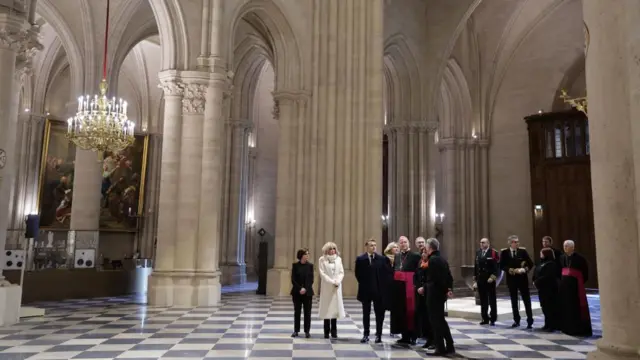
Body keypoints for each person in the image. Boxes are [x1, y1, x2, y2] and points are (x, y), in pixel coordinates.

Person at [355, 239, 392, 343]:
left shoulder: (382, 259)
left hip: (378, 291)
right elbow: (357, 274)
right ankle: (366, 334)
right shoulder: (360, 259)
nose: (373, 247)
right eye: (371, 245)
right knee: (366, 313)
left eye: (375, 245)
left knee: (379, 314)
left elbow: (386, 273)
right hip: (365, 291)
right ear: (366, 246)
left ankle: (378, 335)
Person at [423, 238, 454, 356]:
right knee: (441, 321)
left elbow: (436, 279)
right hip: (440, 295)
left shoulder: (433, 260)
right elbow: (449, 277)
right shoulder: (442, 259)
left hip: (434, 295)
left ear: (430, 247)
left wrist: (442, 290)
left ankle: (440, 348)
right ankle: (450, 346)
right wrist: (448, 289)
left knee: (436, 322)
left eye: (426, 245)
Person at [390, 236, 422, 344]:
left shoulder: (415, 256)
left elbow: (418, 272)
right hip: (399, 288)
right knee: (401, 311)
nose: (403, 244)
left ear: (408, 243)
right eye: (401, 242)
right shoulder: (397, 256)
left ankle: (413, 336)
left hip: (410, 287)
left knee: (411, 312)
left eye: (405, 242)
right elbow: (395, 269)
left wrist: (415, 283)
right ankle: (404, 336)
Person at [559, 240, 593, 337]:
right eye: (564, 246)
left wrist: (577, 283)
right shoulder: (561, 258)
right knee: (565, 308)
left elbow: (585, 274)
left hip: (575, 289)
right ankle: (566, 328)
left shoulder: (580, 259)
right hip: (564, 289)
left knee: (575, 308)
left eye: (567, 246)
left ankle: (576, 329)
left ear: (573, 247)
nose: (565, 248)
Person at [499, 235, 534, 328]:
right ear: (510, 243)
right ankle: (516, 320)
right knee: (514, 301)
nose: (517, 243)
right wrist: (511, 270)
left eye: (517, 241)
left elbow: (531, 263)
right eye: (515, 242)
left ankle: (530, 320)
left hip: (522, 279)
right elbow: (501, 265)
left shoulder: (523, 251)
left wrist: (524, 270)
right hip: (512, 279)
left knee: (527, 300)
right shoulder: (504, 252)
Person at [318, 242, 346, 339]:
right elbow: (322, 274)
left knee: (335, 309)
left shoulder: (339, 259)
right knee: (327, 309)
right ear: (326, 250)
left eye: (334, 248)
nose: (332, 250)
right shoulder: (322, 260)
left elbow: (341, 272)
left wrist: (338, 281)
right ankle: (326, 331)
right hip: (327, 286)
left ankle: (334, 331)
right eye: (330, 249)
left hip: (336, 287)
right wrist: (332, 281)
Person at [473, 238, 500, 326]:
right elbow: (476, 267)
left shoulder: (493, 252)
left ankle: (493, 318)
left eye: (483, 242)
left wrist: (493, 277)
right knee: (483, 300)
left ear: (488, 243)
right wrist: (475, 280)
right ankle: (485, 318)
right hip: (481, 280)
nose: (481, 244)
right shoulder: (478, 252)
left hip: (489, 280)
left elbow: (497, 267)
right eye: (480, 242)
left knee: (492, 300)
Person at [533, 248, 560, 331]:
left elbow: (548, 276)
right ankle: (547, 324)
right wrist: (534, 280)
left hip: (549, 289)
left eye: (542, 253)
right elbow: (536, 272)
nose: (540, 255)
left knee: (550, 307)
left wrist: (537, 281)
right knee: (544, 307)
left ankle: (552, 325)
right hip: (542, 289)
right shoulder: (541, 263)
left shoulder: (552, 264)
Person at [291, 248, 314, 338]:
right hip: (297, 292)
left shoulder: (310, 266)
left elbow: (311, 280)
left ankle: (307, 331)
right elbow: (293, 279)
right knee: (297, 312)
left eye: (308, 254)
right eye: (306, 254)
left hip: (307, 293)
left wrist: (305, 289)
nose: (307, 255)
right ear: (301, 255)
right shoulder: (295, 265)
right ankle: (296, 330)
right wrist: (300, 288)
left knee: (307, 312)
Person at [414, 246, 434, 349]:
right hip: (420, 294)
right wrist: (417, 287)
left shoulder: (431, 263)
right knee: (423, 318)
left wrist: (424, 288)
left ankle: (433, 340)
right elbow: (416, 277)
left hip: (428, 293)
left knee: (430, 319)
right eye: (422, 253)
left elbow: (431, 279)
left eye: (425, 253)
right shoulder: (420, 263)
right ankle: (427, 339)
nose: (423, 254)